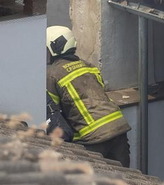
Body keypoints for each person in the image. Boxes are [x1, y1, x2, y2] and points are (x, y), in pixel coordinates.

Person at [44, 25, 131, 168]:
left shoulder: (52, 74)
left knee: (88, 183)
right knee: (124, 179)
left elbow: (53, 113)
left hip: (93, 137)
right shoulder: (89, 66)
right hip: (118, 128)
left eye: (46, 48)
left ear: (55, 47)